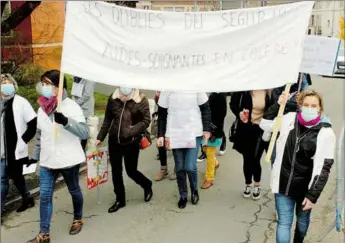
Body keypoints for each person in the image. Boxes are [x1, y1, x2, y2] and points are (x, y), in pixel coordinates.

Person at [260, 89, 335, 243]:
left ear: (320, 108)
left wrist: (312, 195)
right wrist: (278, 105)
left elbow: (324, 167)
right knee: (284, 223)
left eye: (314, 105)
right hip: (283, 184)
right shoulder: (288, 119)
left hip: (305, 189)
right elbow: (265, 124)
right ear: (300, 106)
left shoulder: (325, 132)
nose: (309, 108)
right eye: (306, 104)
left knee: (301, 225)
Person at [27, 70, 88, 243]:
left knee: (74, 190)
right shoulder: (42, 108)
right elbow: (40, 135)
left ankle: (78, 218)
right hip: (47, 161)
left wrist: (67, 122)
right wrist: (35, 156)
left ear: (58, 86)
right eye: (42, 83)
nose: (44, 87)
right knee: (45, 196)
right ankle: (44, 234)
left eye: (47, 83)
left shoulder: (71, 107)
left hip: (67, 160)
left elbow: (84, 132)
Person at [96, 87, 153, 214]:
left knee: (131, 171)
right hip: (114, 141)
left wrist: (131, 131)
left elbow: (146, 120)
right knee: (116, 172)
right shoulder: (113, 97)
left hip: (131, 141)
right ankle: (120, 200)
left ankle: (147, 185)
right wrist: (100, 137)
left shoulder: (140, 99)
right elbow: (107, 120)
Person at [157, 92, 212, 209]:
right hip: (175, 133)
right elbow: (162, 114)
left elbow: (205, 109)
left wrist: (206, 129)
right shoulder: (167, 88)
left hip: (193, 132)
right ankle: (183, 195)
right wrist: (161, 135)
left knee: (190, 166)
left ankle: (194, 191)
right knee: (180, 167)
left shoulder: (195, 84)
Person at [0, 74, 37, 217]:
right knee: (3, 179)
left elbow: (33, 124)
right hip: (2, 149)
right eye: (3, 82)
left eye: (8, 82)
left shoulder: (21, 102)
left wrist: (23, 140)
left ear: (14, 86)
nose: (5, 84)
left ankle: (27, 198)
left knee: (16, 176)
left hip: (15, 148)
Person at [230, 90, 272, 200]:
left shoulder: (268, 92)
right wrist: (239, 113)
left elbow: (273, 109)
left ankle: (257, 184)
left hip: (261, 130)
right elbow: (233, 104)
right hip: (245, 129)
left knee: (255, 158)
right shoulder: (244, 89)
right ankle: (248, 183)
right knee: (247, 158)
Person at [201, 92, 227, 189]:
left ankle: (209, 178)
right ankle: (215, 164)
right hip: (204, 128)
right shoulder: (205, 93)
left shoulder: (219, 95)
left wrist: (214, 132)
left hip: (213, 131)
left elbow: (221, 115)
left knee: (210, 153)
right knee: (204, 150)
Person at [153, 91, 176, 181]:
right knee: (161, 144)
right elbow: (158, 103)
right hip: (164, 118)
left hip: (176, 120)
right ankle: (163, 169)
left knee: (175, 144)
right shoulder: (163, 87)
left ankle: (177, 168)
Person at [71, 76, 95, 151]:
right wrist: (73, 102)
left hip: (86, 107)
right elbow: (74, 91)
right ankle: (76, 150)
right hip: (76, 106)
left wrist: (76, 103)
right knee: (76, 128)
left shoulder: (89, 78)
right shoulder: (76, 76)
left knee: (84, 129)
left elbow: (87, 94)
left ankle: (82, 150)